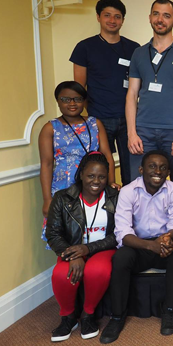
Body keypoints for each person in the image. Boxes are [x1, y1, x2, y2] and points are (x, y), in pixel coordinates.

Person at [100, 150, 173, 344]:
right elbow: (122, 232)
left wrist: (165, 239)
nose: (158, 171)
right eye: (152, 166)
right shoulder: (128, 191)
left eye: (163, 167)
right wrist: (151, 246)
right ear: (141, 170)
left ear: (168, 172)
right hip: (138, 244)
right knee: (121, 257)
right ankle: (117, 317)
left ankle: (170, 310)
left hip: (163, 242)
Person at [125, 0, 173, 184]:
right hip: (143, 132)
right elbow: (132, 95)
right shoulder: (139, 53)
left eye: (166, 16)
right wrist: (132, 133)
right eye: (156, 14)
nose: (160, 19)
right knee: (139, 186)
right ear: (150, 17)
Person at [45, 152, 118, 342]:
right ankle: (68, 317)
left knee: (97, 271)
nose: (96, 181)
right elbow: (52, 234)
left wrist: (88, 249)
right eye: (91, 176)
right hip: (71, 249)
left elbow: (119, 233)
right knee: (62, 274)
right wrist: (72, 254)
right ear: (81, 175)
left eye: (102, 177)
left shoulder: (115, 197)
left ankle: (88, 315)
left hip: (102, 248)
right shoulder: (62, 198)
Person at [71, 0, 140, 185]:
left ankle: (131, 210)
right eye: (107, 15)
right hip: (99, 119)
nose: (112, 20)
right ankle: (107, 212)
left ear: (123, 20)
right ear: (98, 17)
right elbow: (79, 88)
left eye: (117, 16)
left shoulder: (134, 49)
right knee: (102, 171)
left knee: (132, 170)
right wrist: (88, 117)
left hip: (129, 120)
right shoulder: (85, 48)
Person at [39, 82, 116, 246]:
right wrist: (47, 199)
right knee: (65, 230)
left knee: (94, 225)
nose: (72, 103)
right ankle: (67, 264)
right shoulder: (50, 128)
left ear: (84, 101)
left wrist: (110, 184)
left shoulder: (95, 124)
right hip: (64, 187)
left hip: (94, 184)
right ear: (58, 101)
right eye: (66, 99)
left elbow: (107, 155)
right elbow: (46, 165)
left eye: (77, 99)